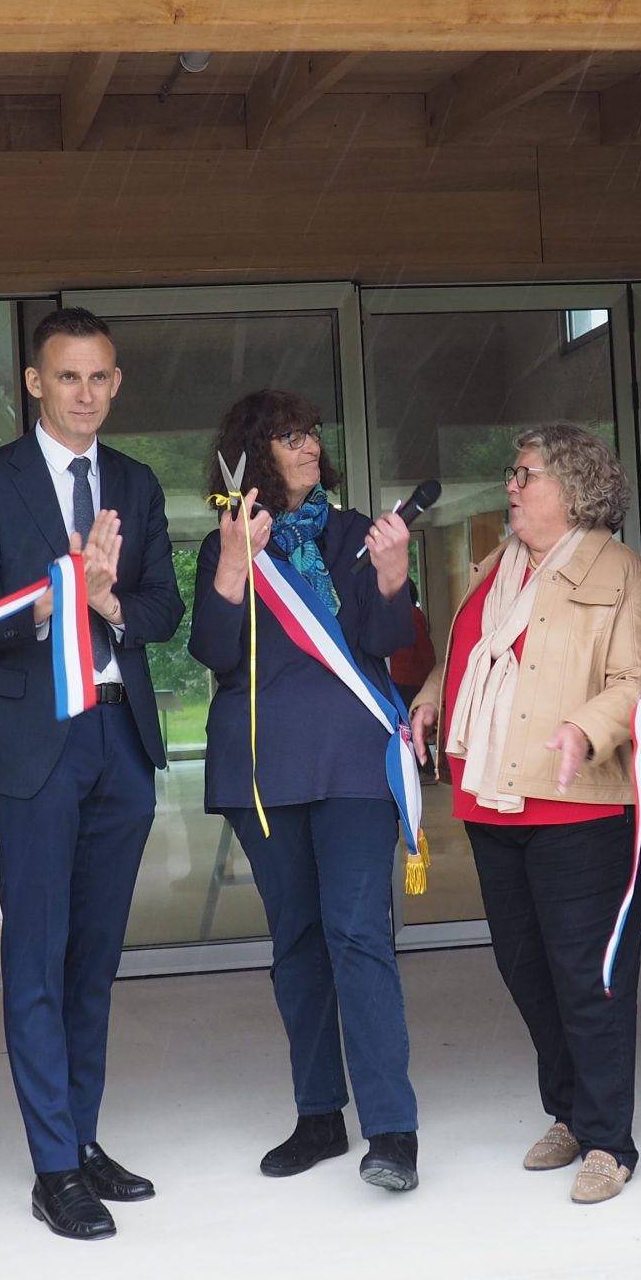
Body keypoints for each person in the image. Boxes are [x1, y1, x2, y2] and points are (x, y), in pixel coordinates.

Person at [0, 308, 183, 1241]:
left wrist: (110, 597)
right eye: (68, 377)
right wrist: (59, 599)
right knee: (38, 958)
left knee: (94, 960)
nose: (86, 393)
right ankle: (53, 1167)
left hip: (119, 738)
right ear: (35, 384)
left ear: (116, 384)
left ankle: (80, 1138)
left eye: (101, 378)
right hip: (36, 742)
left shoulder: (134, 481)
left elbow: (161, 607)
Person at [406, 424, 641, 1205]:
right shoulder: (498, 565)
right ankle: (570, 1112)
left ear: (575, 486)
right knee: (527, 972)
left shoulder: (620, 571)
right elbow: (467, 657)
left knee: (589, 978)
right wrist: (428, 695)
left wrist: (585, 726)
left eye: (525, 474)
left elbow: (638, 678)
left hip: (576, 805)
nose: (511, 486)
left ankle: (610, 1141)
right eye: (513, 474)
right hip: (493, 802)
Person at [191, 390, 422, 1192]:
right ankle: (320, 1115)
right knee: (296, 944)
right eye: (292, 436)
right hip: (263, 767)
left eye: (314, 432)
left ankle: (392, 1129)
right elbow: (216, 655)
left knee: (359, 933)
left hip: (354, 761)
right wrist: (232, 563)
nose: (311, 445)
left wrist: (393, 581)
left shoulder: (354, 532)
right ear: (258, 450)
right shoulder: (226, 541)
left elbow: (385, 643)